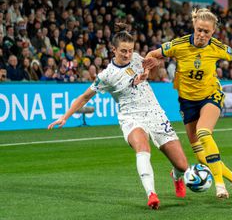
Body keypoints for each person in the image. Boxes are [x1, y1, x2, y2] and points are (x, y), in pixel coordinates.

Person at [48, 23, 188, 210]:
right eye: (123, 51)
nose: (128, 55)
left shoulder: (138, 59)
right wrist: (65, 117)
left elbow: (154, 66)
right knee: (142, 147)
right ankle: (151, 194)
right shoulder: (107, 75)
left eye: (130, 50)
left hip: (155, 113)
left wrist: (154, 65)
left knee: (182, 165)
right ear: (113, 49)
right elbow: (84, 97)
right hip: (131, 118)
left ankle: (176, 176)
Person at [144, 8, 232, 199]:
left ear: (213, 32)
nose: (202, 34)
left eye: (207, 31)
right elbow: (153, 54)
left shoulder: (216, 47)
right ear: (194, 26)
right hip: (187, 102)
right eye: (199, 29)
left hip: (211, 96)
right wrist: (150, 68)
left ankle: (220, 185)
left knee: (204, 132)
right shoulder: (179, 45)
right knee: (200, 156)